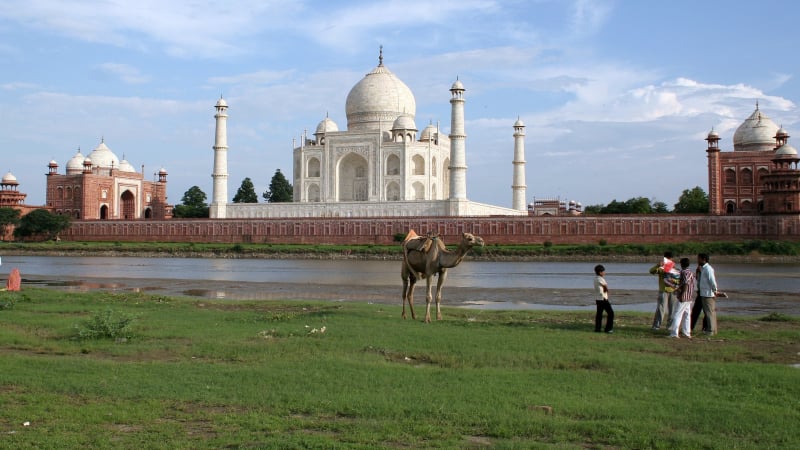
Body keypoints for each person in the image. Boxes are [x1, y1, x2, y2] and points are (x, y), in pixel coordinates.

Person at [649, 251, 678, 330]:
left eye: (669, 259)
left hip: (673, 291)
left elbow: (678, 280)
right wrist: (658, 265)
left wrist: (673, 280)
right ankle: (656, 326)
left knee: (672, 310)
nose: (668, 260)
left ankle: (670, 327)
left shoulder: (674, 268)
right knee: (661, 309)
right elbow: (651, 271)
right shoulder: (661, 268)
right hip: (663, 291)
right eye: (667, 259)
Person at [668, 258, 696, 338]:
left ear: (681, 264)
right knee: (687, 315)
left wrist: (682, 295)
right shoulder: (689, 272)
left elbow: (686, 284)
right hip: (689, 296)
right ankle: (686, 332)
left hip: (684, 297)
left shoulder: (684, 273)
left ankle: (674, 333)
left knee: (677, 314)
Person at [697, 253, 719, 335]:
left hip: (708, 294)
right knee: (709, 312)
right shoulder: (703, 269)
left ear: (703, 259)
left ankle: (710, 330)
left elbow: (712, 281)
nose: (698, 260)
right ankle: (713, 330)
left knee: (709, 312)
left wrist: (715, 290)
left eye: (699, 259)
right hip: (704, 293)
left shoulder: (708, 269)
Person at [593, 264, 614, 333]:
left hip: (598, 298)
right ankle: (608, 329)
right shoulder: (600, 279)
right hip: (603, 298)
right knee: (611, 313)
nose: (604, 273)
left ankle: (597, 329)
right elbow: (605, 287)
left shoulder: (595, 278)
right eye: (603, 271)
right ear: (600, 272)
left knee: (599, 314)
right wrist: (607, 292)